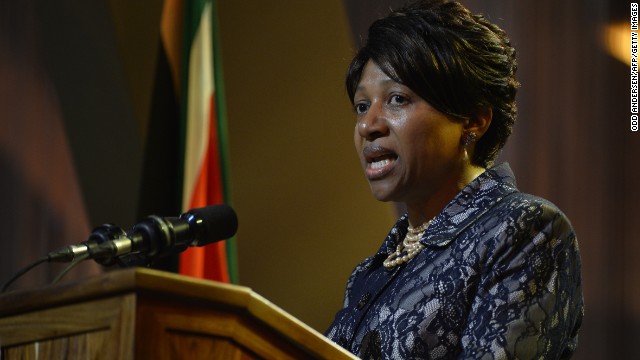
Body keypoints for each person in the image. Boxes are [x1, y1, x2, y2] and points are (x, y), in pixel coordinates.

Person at [325, 0, 584, 359]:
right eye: (362, 105)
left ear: (473, 120)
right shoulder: (369, 273)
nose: (369, 125)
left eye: (397, 99)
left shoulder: (524, 230)